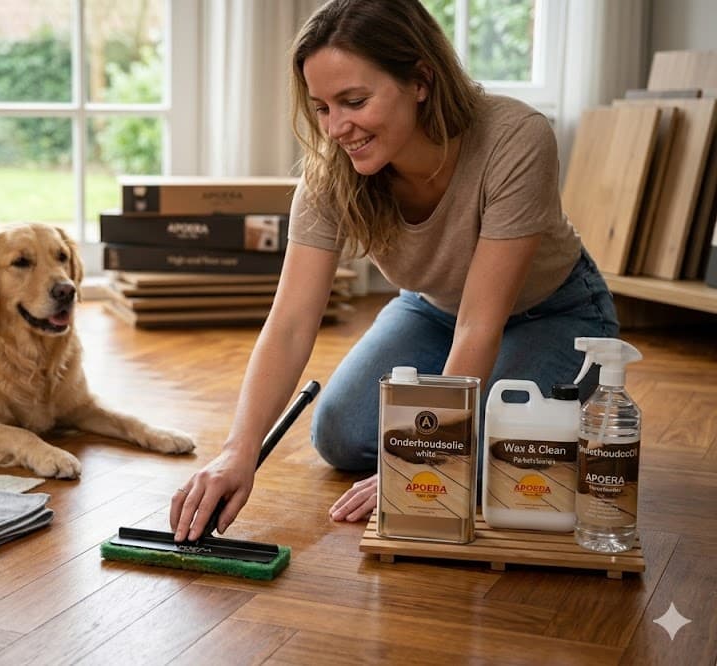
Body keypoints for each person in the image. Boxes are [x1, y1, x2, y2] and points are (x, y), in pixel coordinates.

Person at [169, 0, 618, 543]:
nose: (337, 128)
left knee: (498, 454)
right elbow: (289, 323)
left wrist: (422, 464)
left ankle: (577, 403)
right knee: (338, 435)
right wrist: (236, 452)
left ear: (421, 80)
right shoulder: (330, 176)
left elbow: (481, 323)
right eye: (322, 108)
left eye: (354, 101)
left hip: (554, 311)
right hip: (432, 309)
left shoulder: (515, 137)